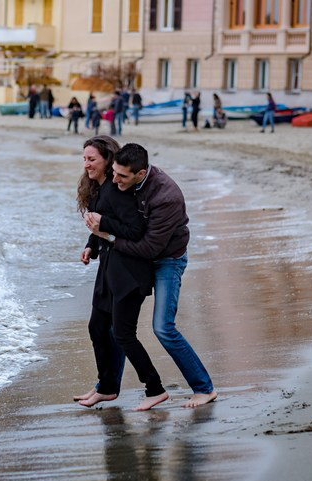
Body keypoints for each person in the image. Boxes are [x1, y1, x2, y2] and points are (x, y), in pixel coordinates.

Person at [86, 143, 217, 408]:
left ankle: (204, 388)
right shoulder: (124, 180)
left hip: (166, 260)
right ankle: (109, 387)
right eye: (114, 173)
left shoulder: (166, 196)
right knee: (115, 327)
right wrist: (95, 240)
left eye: (122, 176)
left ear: (141, 173)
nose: (115, 180)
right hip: (137, 261)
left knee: (163, 328)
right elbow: (115, 216)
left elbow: (148, 248)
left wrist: (107, 235)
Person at [77, 137, 167, 410]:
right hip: (109, 269)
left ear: (107, 160)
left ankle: (155, 388)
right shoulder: (99, 190)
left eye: (92, 159)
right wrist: (91, 246)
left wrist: (103, 224)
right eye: (84, 159)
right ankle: (105, 387)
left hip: (129, 273)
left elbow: (134, 231)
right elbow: (100, 228)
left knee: (123, 334)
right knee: (96, 327)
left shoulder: (119, 191)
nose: (87, 164)